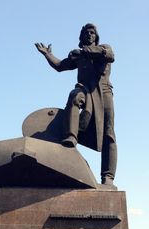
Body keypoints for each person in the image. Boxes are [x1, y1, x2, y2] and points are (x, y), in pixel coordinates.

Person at [35, 23, 117, 186]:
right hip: (85, 89)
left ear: (96, 36)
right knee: (74, 96)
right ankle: (70, 137)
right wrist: (48, 55)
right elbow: (60, 66)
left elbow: (110, 55)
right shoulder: (78, 57)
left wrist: (85, 51)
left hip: (103, 92)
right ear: (82, 37)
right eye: (86, 33)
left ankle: (108, 176)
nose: (89, 35)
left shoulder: (103, 48)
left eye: (92, 32)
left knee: (108, 134)